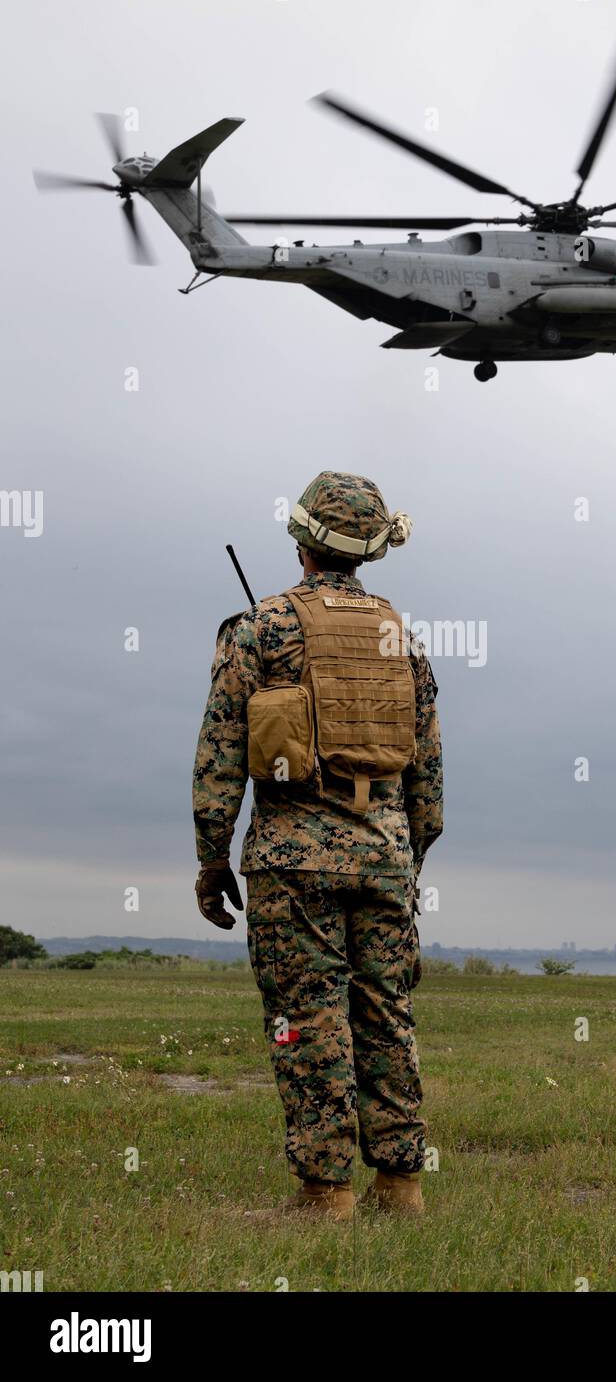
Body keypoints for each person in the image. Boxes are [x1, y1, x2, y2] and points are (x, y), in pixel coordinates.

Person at [192, 471, 443, 1219]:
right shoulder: (405, 638)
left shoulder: (258, 629)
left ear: (302, 541)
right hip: (386, 854)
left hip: (291, 858)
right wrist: (407, 854)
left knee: (308, 1017)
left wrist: (212, 857)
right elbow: (427, 769)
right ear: (368, 552)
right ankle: (401, 1187)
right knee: (386, 1010)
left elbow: (219, 756)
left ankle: (325, 1193)